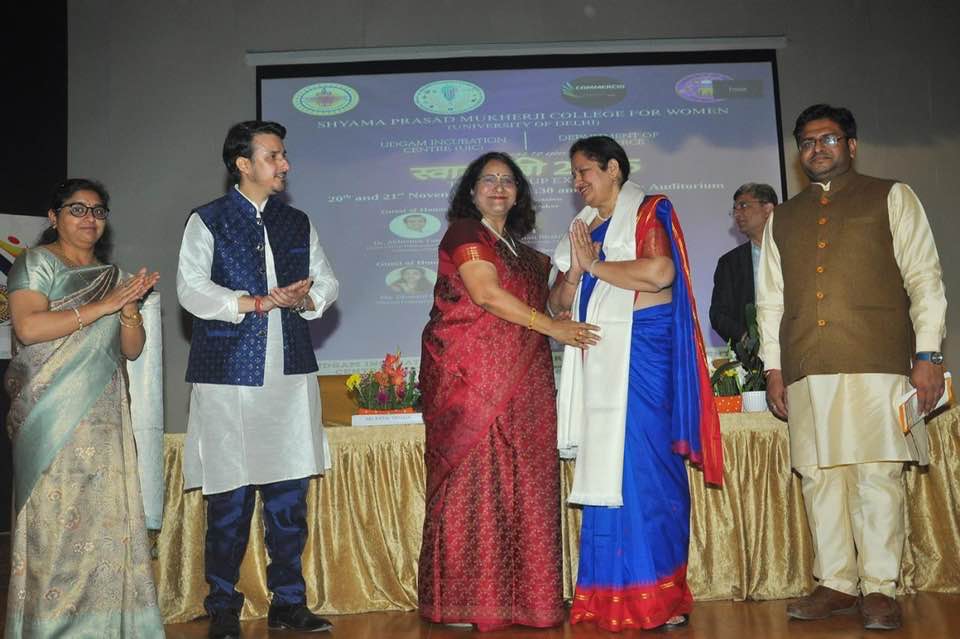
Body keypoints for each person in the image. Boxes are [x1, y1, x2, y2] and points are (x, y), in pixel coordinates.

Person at [757, 104, 947, 631]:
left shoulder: (893, 196)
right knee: (819, 476)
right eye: (807, 142)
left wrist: (928, 354)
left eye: (829, 139)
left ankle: (880, 587)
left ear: (852, 146)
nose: (817, 149)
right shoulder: (782, 218)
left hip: (877, 361)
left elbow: (925, 278)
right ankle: (836, 582)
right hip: (805, 365)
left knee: (875, 475)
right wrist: (774, 368)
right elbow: (770, 300)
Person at [418, 151, 599, 632]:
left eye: (508, 181)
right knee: (475, 480)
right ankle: (465, 601)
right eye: (488, 179)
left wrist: (576, 271)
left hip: (526, 380)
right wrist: (553, 328)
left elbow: (553, 302)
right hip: (470, 378)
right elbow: (485, 294)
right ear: (471, 191)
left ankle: (528, 602)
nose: (498, 187)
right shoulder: (465, 233)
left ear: (518, 194)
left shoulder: (522, 252)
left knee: (527, 482)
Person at [550, 136, 723, 632]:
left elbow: (659, 272)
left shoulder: (647, 210)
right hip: (600, 358)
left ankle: (661, 597)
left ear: (613, 169)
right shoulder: (583, 229)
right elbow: (557, 303)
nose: (577, 182)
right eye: (573, 174)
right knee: (608, 473)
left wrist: (596, 266)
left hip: (644, 353)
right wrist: (575, 271)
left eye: (584, 171)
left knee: (646, 471)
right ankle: (610, 597)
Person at [177, 120, 339, 639]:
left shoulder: (297, 221)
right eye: (273, 156)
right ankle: (223, 606)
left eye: (283, 155)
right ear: (243, 164)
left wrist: (305, 298)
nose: (284, 165)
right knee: (229, 499)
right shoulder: (208, 219)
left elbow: (328, 281)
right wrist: (256, 303)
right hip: (228, 378)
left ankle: (289, 603)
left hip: (289, 378)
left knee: (289, 499)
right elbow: (190, 289)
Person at [4, 179, 164, 637]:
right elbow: (29, 327)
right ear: (53, 217)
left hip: (104, 419)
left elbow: (131, 349)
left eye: (98, 211)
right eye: (77, 209)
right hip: (51, 416)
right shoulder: (36, 262)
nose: (89, 218)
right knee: (56, 527)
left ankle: (108, 626)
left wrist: (128, 309)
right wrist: (106, 305)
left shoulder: (111, 276)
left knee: (105, 524)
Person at [709, 183, 777, 343]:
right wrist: (745, 338)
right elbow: (718, 315)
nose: (737, 214)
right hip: (753, 353)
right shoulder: (729, 263)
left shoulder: (792, 251)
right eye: (735, 209)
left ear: (767, 209)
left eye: (743, 206)